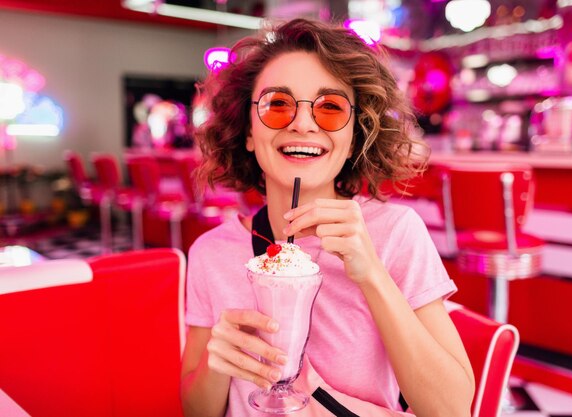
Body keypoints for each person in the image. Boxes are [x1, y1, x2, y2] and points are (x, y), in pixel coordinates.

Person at [181, 18, 475, 417]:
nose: (303, 122)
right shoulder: (211, 253)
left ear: (354, 134)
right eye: (277, 105)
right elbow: (195, 410)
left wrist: (371, 272)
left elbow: (453, 410)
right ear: (247, 131)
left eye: (331, 108)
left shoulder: (394, 234)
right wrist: (218, 367)